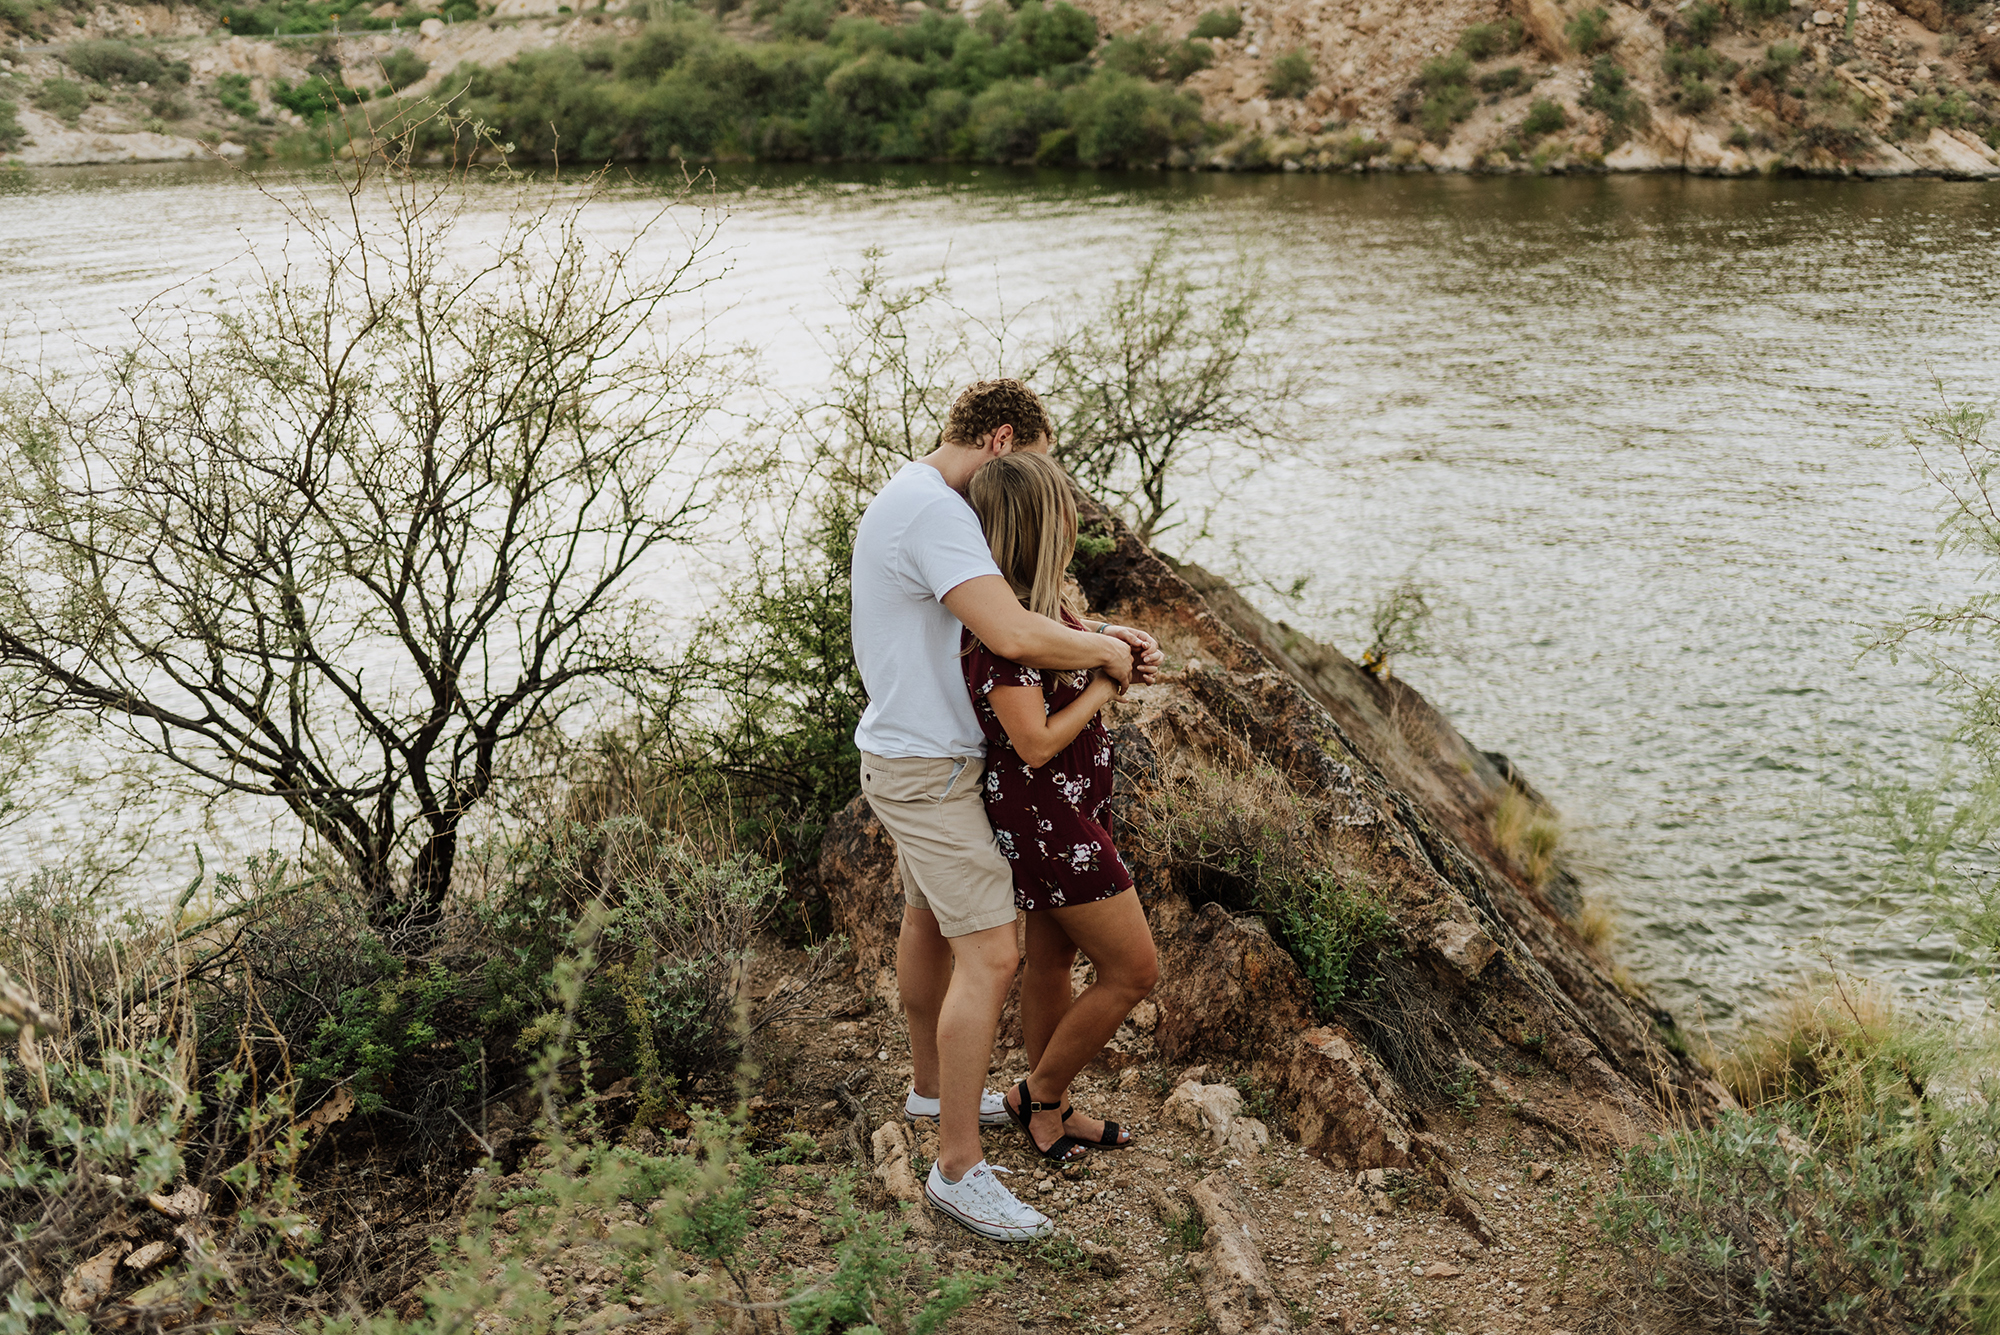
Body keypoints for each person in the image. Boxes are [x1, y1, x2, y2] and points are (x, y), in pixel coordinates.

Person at [849, 379, 1162, 1241]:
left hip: (917, 753)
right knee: (991, 952)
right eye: (1034, 459)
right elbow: (1015, 636)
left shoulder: (913, 494)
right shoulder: (940, 514)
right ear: (1000, 441)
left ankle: (929, 1087)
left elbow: (1026, 619)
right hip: (931, 767)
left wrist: (1100, 638)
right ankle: (957, 1169)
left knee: (926, 918)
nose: (1030, 482)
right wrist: (1106, 655)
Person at [961, 453, 1159, 1164]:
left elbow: (1077, 653)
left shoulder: (1040, 607)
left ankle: (1053, 1102)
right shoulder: (1000, 628)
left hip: (1070, 810)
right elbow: (1036, 742)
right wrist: (1110, 684)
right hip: (1051, 821)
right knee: (1135, 970)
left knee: (1053, 960)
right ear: (1044, 524)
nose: (1077, 518)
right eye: (1065, 507)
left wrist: (1115, 642)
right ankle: (1039, 1093)